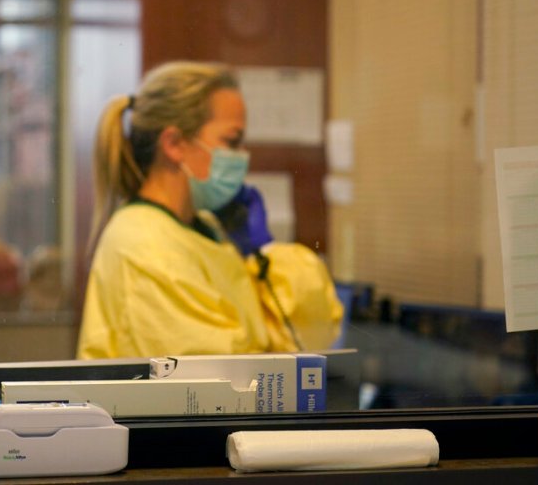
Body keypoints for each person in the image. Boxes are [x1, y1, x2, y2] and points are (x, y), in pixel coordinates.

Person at [76, 61, 343, 359]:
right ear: (174, 144)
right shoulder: (144, 245)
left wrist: (264, 254)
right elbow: (225, 373)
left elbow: (307, 336)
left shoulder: (204, 228)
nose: (242, 157)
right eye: (231, 141)